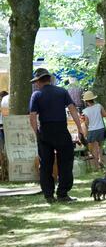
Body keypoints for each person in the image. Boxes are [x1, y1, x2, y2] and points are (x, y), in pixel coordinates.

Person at [29, 68, 84, 204]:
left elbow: (32, 117)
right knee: (65, 162)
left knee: (46, 164)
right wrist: (79, 129)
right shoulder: (62, 92)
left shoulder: (36, 95)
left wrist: (37, 133)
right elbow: (73, 110)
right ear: (49, 79)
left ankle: (49, 195)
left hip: (45, 131)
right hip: (61, 130)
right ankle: (63, 193)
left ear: (38, 81)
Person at [82, 91, 106, 170]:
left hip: (92, 130)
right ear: (93, 99)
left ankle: (96, 166)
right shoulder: (98, 106)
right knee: (100, 146)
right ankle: (101, 160)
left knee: (94, 148)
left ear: (86, 101)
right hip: (101, 129)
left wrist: (85, 131)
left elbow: (86, 122)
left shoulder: (86, 111)